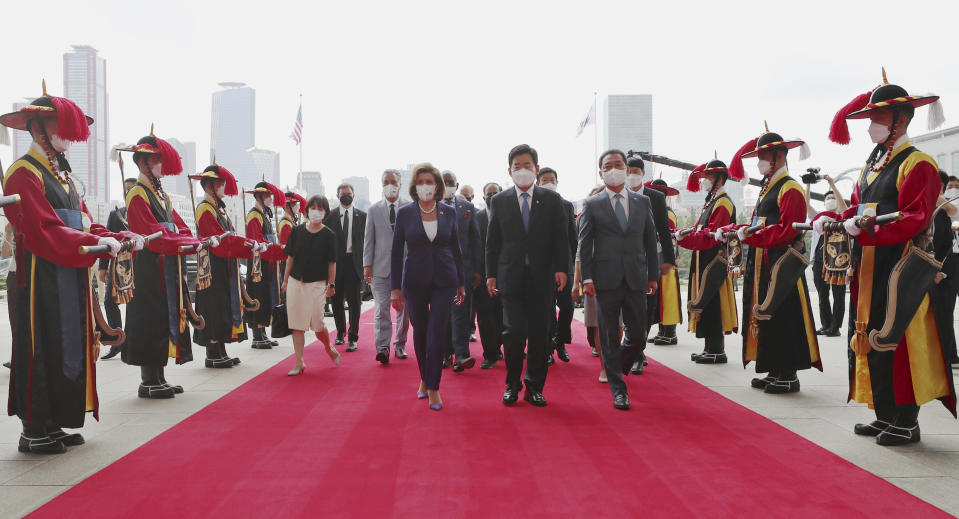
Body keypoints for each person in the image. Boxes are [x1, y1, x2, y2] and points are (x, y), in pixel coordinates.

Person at [1, 86, 135, 453]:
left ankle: (53, 421)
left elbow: (86, 222)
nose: (69, 137)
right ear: (38, 129)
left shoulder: (64, 178)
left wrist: (113, 236)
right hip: (36, 274)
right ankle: (33, 429)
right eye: (60, 128)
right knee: (39, 346)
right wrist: (89, 245)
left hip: (67, 272)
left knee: (65, 346)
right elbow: (43, 229)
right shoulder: (22, 173)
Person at [828, 73, 955, 444]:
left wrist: (864, 229)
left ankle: (906, 419)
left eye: (876, 121)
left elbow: (914, 217)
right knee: (868, 336)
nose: (871, 128)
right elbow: (859, 206)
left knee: (897, 340)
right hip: (870, 263)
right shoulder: (873, 164)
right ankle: (884, 413)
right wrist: (834, 219)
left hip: (899, 265)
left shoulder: (918, 163)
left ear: (899, 121)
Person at [727, 124, 822, 394]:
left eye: (762, 158)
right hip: (763, 258)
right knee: (766, 313)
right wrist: (749, 232)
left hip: (780, 261)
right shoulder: (770, 186)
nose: (758, 163)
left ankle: (788, 373)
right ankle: (773, 368)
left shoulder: (789, 187)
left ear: (779, 157)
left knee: (784, 315)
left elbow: (786, 230)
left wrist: (751, 236)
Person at [120, 129, 203, 398]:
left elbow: (178, 225)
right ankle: (148, 380)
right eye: (155, 161)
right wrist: (180, 241)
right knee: (150, 320)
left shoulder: (162, 196)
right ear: (142, 163)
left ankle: (160, 376)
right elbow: (151, 233)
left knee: (163, 320)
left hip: (166, 265)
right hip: (148, 266)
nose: (160, 166)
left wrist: (193, 239)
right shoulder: (137, 194)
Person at [486, 144, 570, 407]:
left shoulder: (552, 200)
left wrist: (561, 268)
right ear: (509, 170)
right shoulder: (499, 201)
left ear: (536, 167)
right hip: (510, 277)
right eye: (517, 166)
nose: (522, 170)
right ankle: (512, 383)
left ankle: (534, 386)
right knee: (513, 333)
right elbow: (492, 242)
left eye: (527, 165)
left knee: (539, 334)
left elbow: (560, 238)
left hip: (542, 277)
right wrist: (491, 275)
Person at [579, 149, 659, 410]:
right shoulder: (592, 204)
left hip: (636, 277)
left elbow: (649, 241)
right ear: (601, 172)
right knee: (609, 335)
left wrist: (652, 275)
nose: (613, 169)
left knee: (638, 336)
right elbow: (585, 243)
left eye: (618, 164)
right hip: (605, 280)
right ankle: (618, 390)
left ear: (626, 169)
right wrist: (586, 278)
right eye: (607, 166)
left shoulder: (641, 202)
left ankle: (616, 366)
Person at [390, 163, 465, 411]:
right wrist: (395, 289)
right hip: (415, 281)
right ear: (414, 186)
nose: (425, 186)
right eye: (420, 181)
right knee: (420, 332)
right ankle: (424, 377)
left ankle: (433, 387)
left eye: (429, 181)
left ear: (437, 185)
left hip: (445, 280)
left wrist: (461, 282)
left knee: (436, 333)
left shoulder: (448, 212)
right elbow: (396, 252)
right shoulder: (404, 213)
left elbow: (456, 249)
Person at [191, 163, 256, 368]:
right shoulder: (205, 209)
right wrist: (248, 245)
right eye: (219, 183)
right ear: (209, 186)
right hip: (212, 266)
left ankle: (221, 350)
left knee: (222, 309)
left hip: (224, 266)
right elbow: (220, 240)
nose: (223, 187)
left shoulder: (218, 208)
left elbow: (230, 237)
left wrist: (246, 245)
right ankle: (212, 353)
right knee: (213, 309)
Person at [677, 159, 739, 364]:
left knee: (712, 303)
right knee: (707, 302)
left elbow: (710, 234)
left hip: (714, 260)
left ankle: (716, 350)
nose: (705, 181)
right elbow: (698, 229)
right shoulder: (713, 201)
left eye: (709, 177)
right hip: (705, 259)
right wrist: (683, 234)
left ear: (720, 179)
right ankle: (710, 348)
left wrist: (683, 239)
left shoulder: (723, 202)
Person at [623, 156, 675, 373]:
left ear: (643, 174)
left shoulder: (654, 197)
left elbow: (664, 230)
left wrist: (669, 261)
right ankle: (635, 348)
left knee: (647, 306)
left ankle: (638, 349)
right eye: (629, 171)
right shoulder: (618, 194)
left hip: (650, 258)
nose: (632, 175)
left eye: (636, 170)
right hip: (624, 260)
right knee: (629, 306)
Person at [282, 195, 341, 375]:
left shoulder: (329, 236)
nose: (316, 211)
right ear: (307, 210)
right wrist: (285, 280)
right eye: (313, 208)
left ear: (325, 212)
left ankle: (327, 345)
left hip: (316, 284)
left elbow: (332, 263)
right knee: (297, 324)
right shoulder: (297, 231)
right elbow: (290, 257)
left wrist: (331, 284)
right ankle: (299, 362)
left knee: (317, 323)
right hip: (295, 281)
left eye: (320, 209)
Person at [363, 169, 410, 364]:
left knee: (403, 310)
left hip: (406, 269)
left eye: (393, 181)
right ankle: (382, 347)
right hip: (380, 269)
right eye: (385, 182)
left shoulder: (409, 208)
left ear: (399, 184)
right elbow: (369, 240)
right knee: (381, 308)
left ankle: (400, 344)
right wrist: (367, 265)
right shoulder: (374, 210)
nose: (389, 185)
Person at [536, 167, 576, 365]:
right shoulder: (534, 205)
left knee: (567, 306)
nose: (549, 182)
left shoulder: (567, 205)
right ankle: (548, 347)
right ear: (538, 183)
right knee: (548, 308)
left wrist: (576, 266)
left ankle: (560, 341)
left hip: (565, 265)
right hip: (543, 267)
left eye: (552, 179)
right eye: (544, 179)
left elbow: (572, 238)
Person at [441, 170, 480, 371]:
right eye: (444, 181)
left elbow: (475, 240)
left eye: (451, 182)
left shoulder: (467, 208)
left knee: (461, 312)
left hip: (462, 271)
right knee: (443, 314)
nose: (447, 184)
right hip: (438, 271)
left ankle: (462, 355)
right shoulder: (428, 207)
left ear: (457, 185)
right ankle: (446, 353)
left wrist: (477, 271)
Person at [573, 186, 611, 377]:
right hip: (593, 278)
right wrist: (577, 280)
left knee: (618, 325)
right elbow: (581, 251)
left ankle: (614, 363)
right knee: (599, 324)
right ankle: (605, 367)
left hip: (620, 276)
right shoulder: (585, 220)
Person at [245, 181, 287, 349]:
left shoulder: (263, 214)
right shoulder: (254, 215)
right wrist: (277, 249)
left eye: (271, 195)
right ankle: (257, 335)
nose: (270, 198)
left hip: (267, 261)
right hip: (258, 262)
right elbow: (257, 239)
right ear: (259, 196)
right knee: (258, 295)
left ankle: (263, 333)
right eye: (267, 195)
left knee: (266, 296)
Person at [98, 177, 136, 359]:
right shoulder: (116, 215)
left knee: (135, 303)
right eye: (126, 189)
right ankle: (117, 341)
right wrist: (103, 267)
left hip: (137, 265)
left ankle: (133, 339)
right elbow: (108, 240)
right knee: (109, 301)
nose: (128, 191)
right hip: (117, 266)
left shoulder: (142, 212)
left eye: (132, 188)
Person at [325, 183, 366, 351]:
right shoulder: (331, 217)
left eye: (349, 193)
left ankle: (354, 337)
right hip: (336, 264)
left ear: (354, 195)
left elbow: (367, 243)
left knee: (355, 303)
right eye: (343, 194)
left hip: (355, 264)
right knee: (336, 300)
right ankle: (340, 332)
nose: (346, 196)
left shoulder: (363, 216)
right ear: (338, 196)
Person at [805, 178, 847, 337]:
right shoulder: (819, 218)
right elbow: (806, 205)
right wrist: (808, 184)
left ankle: (835, 327)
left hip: (838, 261)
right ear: (824, 203)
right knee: (822, 294)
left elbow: (843, 206)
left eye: (833, 198)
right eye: (828, 198)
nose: (830, 200)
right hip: (819, 259)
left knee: (838, 293)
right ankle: (826, 325)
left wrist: (832, 185)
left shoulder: (843, 215)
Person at [646, 179, 683, 346]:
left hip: (665, 258)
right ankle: (662, 330)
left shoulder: (667, 213)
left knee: (668, 296)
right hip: (657, 256)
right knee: (660, 296)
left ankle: (670, 332)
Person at [474, 182, 504, 369]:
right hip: (482, 276)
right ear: (483, 197)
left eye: (495, 193)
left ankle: (500, 346)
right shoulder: (476, 218)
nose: (491, 196)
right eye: (488, 194)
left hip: (506, 274)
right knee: (485, 316)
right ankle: (490, 354)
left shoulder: (509, 216)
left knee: (503, 316)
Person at [932, 171, 958, 371]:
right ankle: (947, 354)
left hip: (946, 268)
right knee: (941, 314)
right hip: (936, 268)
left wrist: (941, 270)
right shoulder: (930, 209)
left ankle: (946, 355)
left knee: (944, 313)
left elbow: (946, 245)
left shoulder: (944, 209)